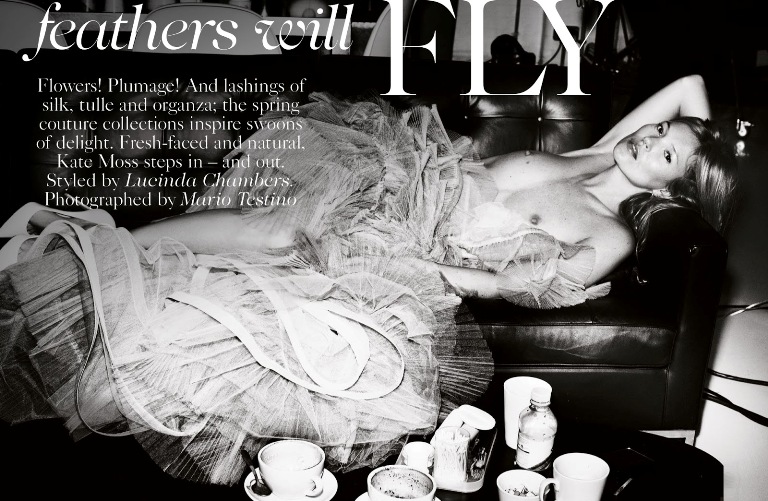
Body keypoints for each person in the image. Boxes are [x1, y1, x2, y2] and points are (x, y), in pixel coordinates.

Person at [0, 74, 736, 485]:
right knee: (282, 218)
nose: (650, 138)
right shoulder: (602, 152)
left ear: (674, 188)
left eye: (666, 152)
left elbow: (521, 286)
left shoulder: (609, 232)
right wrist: (700, 138)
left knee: (285, 246)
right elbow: (689, 84)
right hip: (401, 179)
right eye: (656, 131)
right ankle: (104, 245)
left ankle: (106, 262)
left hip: (421, 241)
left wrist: (429, 268)